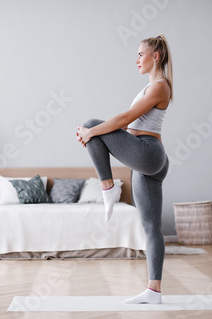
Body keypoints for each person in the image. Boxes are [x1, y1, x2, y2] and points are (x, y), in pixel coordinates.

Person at [76, 34, 172, 304]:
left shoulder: (160, 86)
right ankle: (154, 291)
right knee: (151, 227)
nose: (136, 60)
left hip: (147, 152)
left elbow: (125, 119)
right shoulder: (149, 87)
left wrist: (90, 132)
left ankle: (107, 188)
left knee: (93, 124)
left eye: (141, 54)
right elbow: (125, 123)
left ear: (156, 56)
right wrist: (91, 135)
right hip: (145, 159)